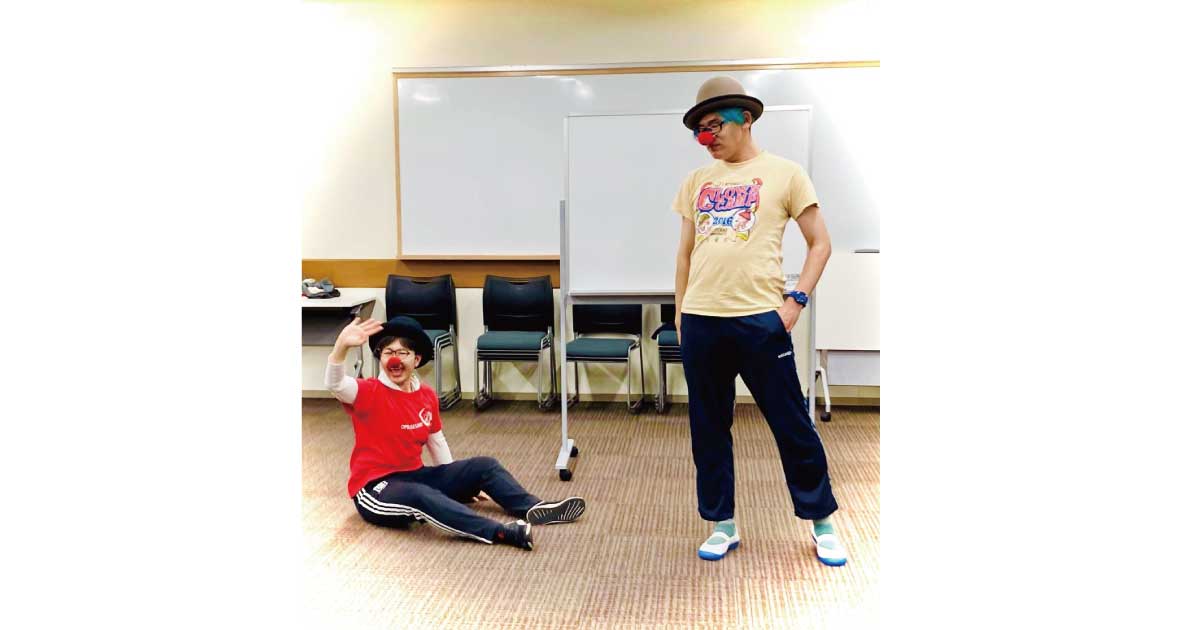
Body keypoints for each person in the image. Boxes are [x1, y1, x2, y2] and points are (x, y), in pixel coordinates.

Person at [672, 76, 847, 566]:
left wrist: (795, 301)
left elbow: (820, 243)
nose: (707, 138)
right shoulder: (696, 181)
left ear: (745, 118)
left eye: (715, 126)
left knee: (791, 424)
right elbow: (684, 254)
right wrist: (681, 312)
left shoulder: (786, 174)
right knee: (708, 428)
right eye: (700, 131)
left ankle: (822, 521)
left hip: (760, 321)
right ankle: (722, 524)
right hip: (702, 320)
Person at [325, 315, 586, 550]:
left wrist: (455, 484)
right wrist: (341, 348)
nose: (395, 358)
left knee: (485, 465)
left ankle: (533, 507)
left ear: (416, 360)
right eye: (388, 352)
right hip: (375, 487)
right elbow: (335, 383)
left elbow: (436, 441)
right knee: (421, 496)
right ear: (381, 359)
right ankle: (501, 532)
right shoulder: (368, 391)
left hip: (416, 475)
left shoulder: (426, 395)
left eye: (403, 352)